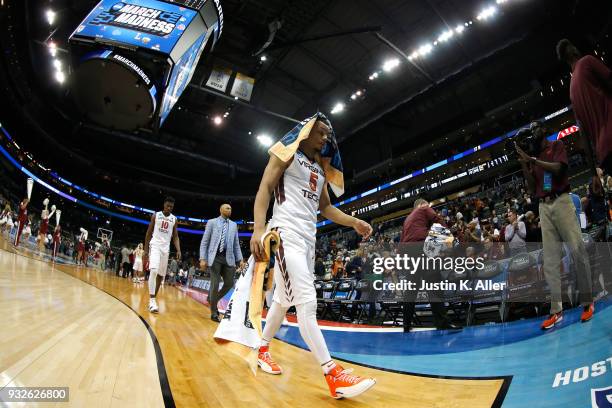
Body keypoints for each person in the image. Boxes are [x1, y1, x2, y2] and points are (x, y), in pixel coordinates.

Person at [250, 114, 376, 399]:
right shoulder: (287, 154)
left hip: (308, 241)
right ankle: (333, 374)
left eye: (327, 134)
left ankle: (262, 349)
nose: (325, 138)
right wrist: (259, 229)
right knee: (307, 302)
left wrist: (353, 221)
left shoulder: (320, 168)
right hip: (285, 234)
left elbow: (326, 209)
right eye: (320, 133)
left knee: (283, 301)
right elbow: (265, 188)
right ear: (305, 132)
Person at [516, 121, 594, 329]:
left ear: (543, 130)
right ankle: (556, 311)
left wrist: (532, 159)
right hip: (544, 206)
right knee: (549, 261)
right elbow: (533, 188)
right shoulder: (533, 156)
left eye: (535, 128)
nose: (533, 131)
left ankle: (588, 302)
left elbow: (559, 170)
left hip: (561, 201)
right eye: (530, 129)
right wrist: (524, 163)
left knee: (577, 250)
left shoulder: (556, 145)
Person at [400, 198, 460, 331]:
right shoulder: (424, 208)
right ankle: (442, 323)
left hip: (409, 254)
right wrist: (445, 238)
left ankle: (406, 325)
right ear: (421, 205)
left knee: (410, 291)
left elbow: (401, 242)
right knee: (434, 287)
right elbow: (439, 220)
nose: (430, 207)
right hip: (422, 248)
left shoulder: (407, 220)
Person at [556, 39, 612, 174]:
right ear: (573, 50)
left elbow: (583, 134)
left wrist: (593, 173)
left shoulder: (571, 90)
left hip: (604, 153)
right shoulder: (586, 61)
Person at [199, 204, 244, 322]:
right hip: (214, 258)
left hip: (229, 258)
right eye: (227, 208)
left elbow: (236, 244)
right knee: (215, 284)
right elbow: (205, 241)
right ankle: (214, 312)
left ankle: (213, 299)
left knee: (229, 283)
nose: (230, 210)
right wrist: (202, 258)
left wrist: (240, 260)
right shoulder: (212, 222)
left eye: (230, 208)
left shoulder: (234, 225)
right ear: (220, 210)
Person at [144, 197, 181, 313]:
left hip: (166, 249)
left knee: (160, 275)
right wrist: (145, 250)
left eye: (171, 207)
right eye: (167, 206)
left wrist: (178, 250)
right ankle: (152, 300)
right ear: (164, 205)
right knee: (153, 271)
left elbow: (175, 236)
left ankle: (153, 299)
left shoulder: (174, 219)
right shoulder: (156, 215)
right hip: (155, 245)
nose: (169, 208)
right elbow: (149, 232)